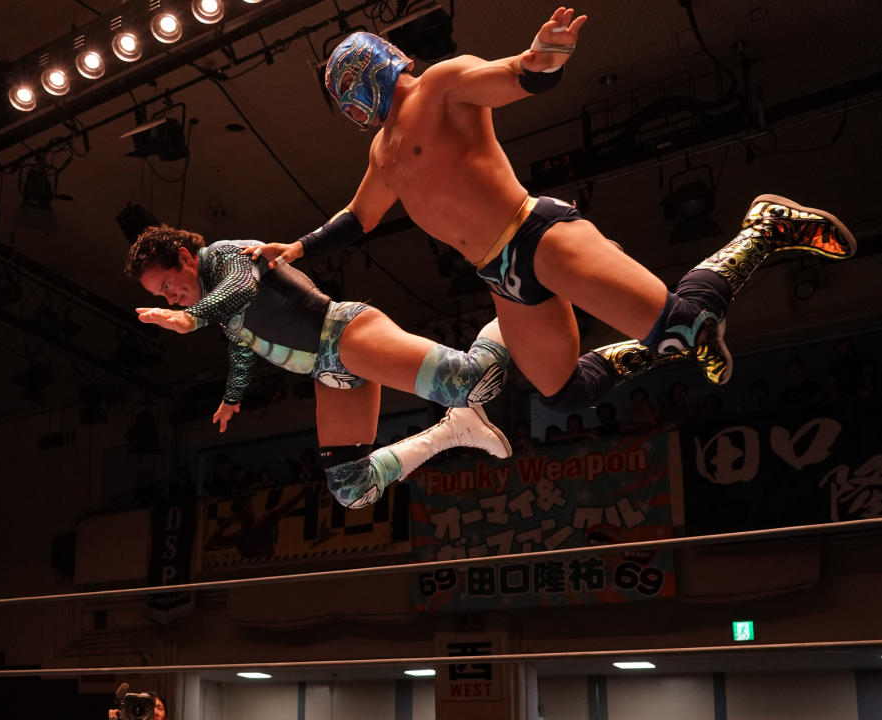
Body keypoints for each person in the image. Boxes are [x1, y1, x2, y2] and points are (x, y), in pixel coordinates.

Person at [251, 13, 856, 415]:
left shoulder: (439, 84)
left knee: (683, 327)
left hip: (536, 234)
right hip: (499, 274)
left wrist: (542, 59)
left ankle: (766, 229)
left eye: (343, 93)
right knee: (561, 393)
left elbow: (508, 77)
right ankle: (672, 340)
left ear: (362, 76)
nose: (349, 108)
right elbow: (359, 217)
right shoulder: (381, 152)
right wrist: (296, 251)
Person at [126, 225, 512, 511]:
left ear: (183, 257)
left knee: (475, 381)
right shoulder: (218, 302)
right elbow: (244, 348)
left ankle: (519, 296)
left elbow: (243, 287)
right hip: (328, 372)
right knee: (351, 488)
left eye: (167, 285)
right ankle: (455, 430)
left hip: (343, 335)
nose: (170, 298)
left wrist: (191, 318)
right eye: (163, 296)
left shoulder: (228, 255)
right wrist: (231, 398)